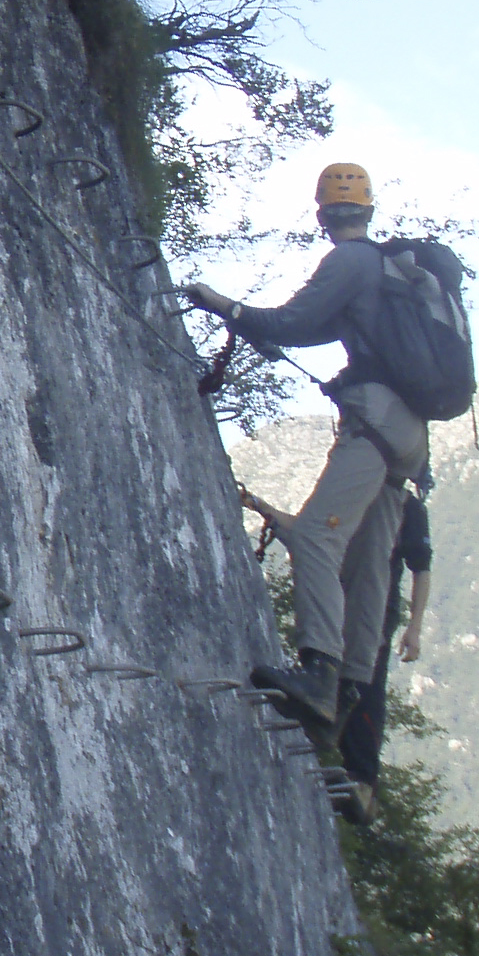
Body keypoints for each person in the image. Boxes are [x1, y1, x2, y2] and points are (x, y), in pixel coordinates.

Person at [182, 160, 427, 735]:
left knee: (317, 535)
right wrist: (261, 328)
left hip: (375, 421)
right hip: (412, 437)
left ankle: (320, 671)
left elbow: (294, 321)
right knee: (370, 569)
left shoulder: (349, 261)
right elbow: (314, 327)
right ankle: (349, 694)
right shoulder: (390, 273)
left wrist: (224, 306)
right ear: (369, 208)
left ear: (322, 212)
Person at [238, 473, 431, 824]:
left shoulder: (406, 507)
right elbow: (309, 534)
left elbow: (421, 568)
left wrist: (414, 626)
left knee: (364, 683)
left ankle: (363, 779)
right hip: (339, 594)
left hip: (374, 604)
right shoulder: (356, 490)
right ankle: (338, 744)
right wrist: (261, 507)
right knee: (345, 676)